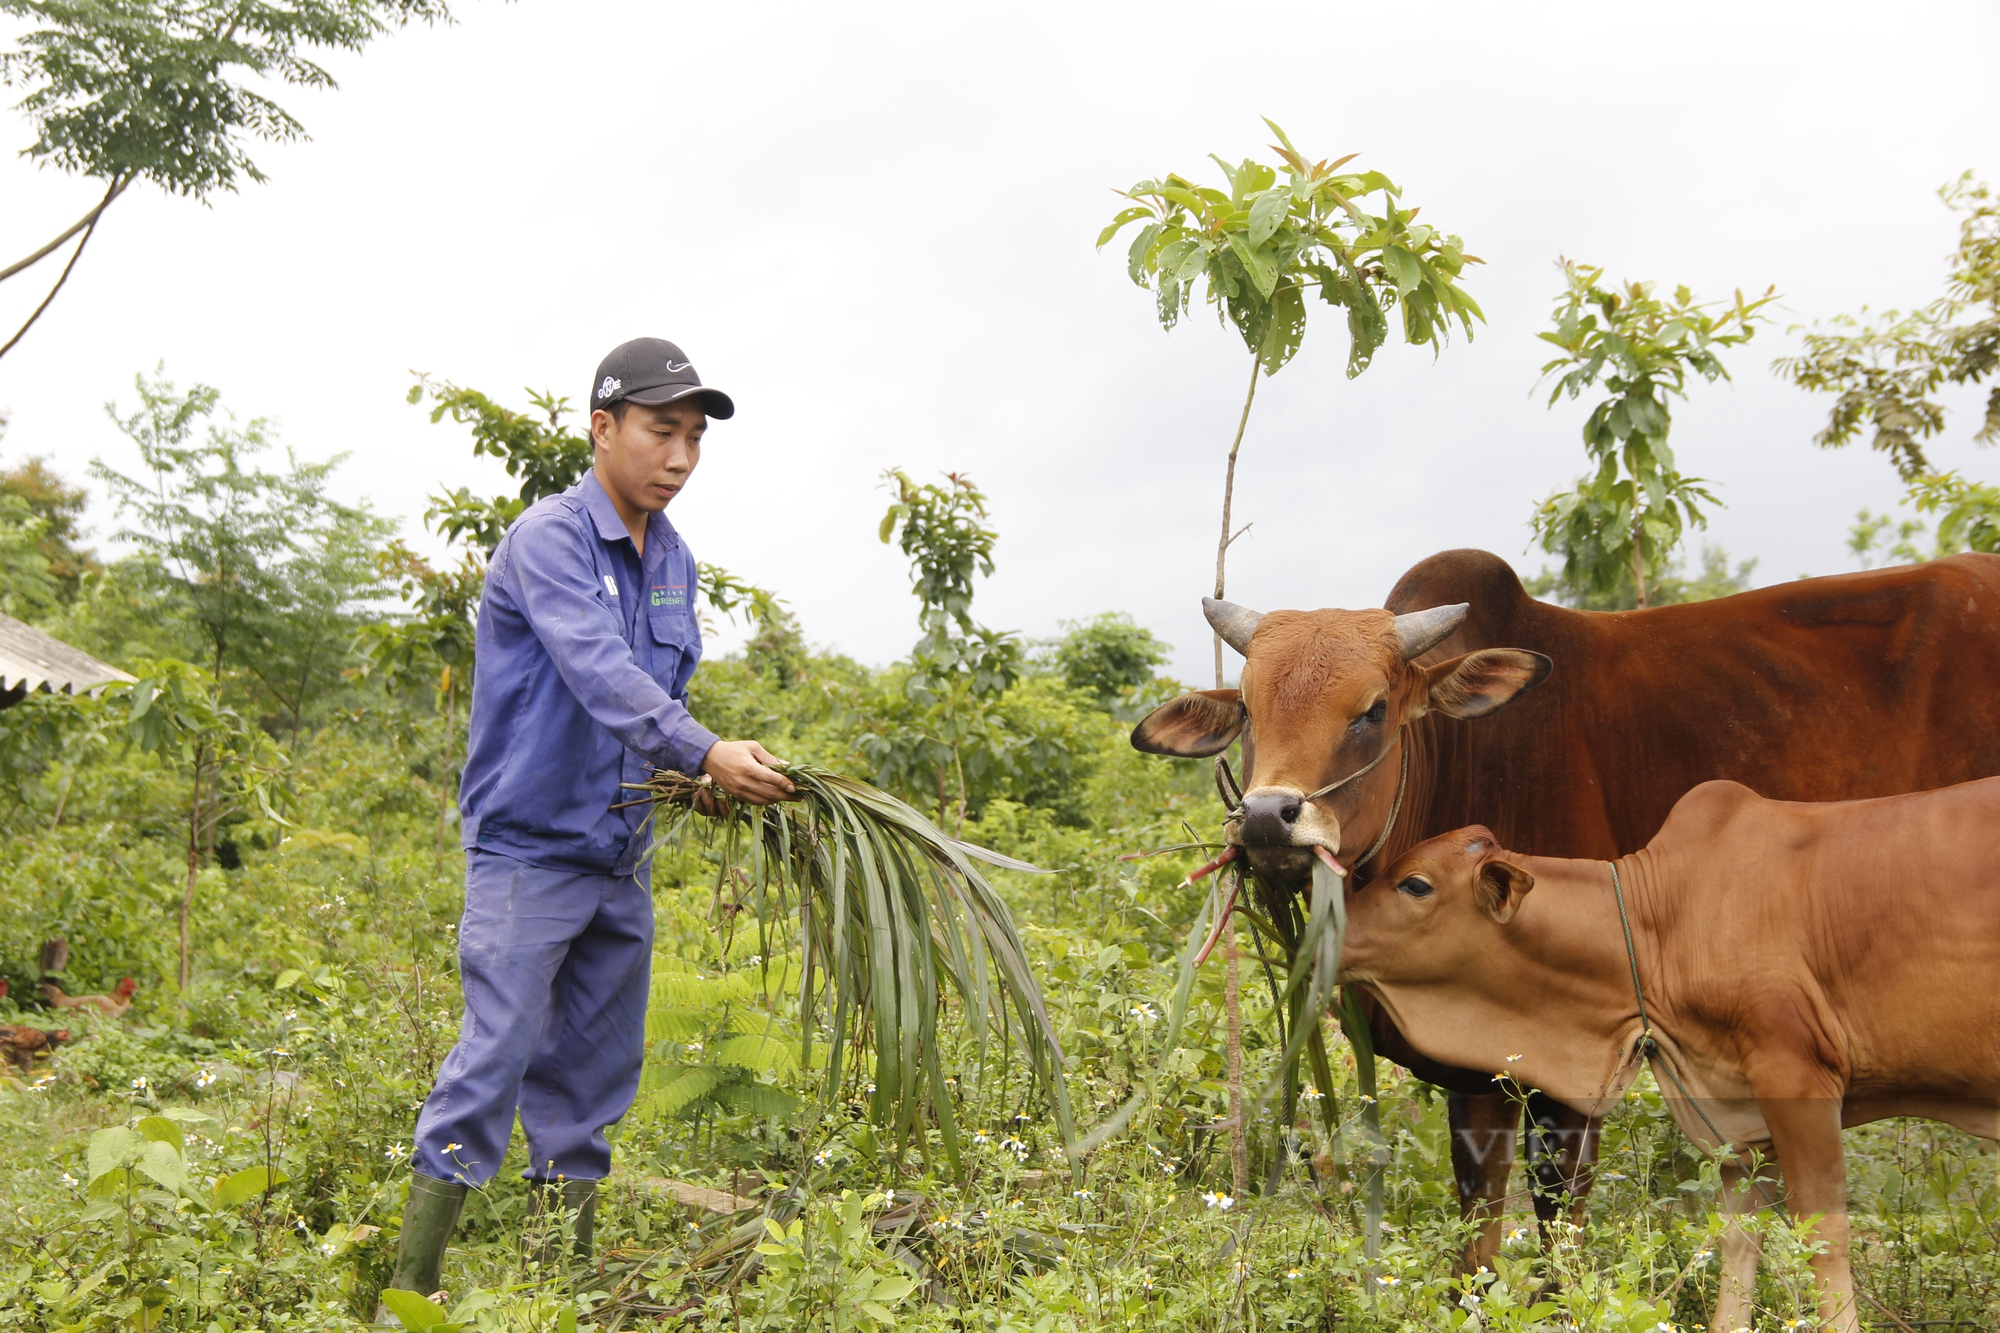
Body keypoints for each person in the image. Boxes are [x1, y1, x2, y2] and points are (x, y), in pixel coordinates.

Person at [383, 337, 795, 1302]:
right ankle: (408, 1293)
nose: (682, 457)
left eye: (695, 437)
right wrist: (702, 748)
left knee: (593, 1079)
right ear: (604, 428)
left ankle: (557, 1292)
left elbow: (655, 695)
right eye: (663, 431)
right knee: (495, 1056)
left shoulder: (675, 559)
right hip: (529, 850)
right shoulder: (549, 540)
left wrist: (699, 776)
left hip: (621, 854)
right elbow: (599, 671)